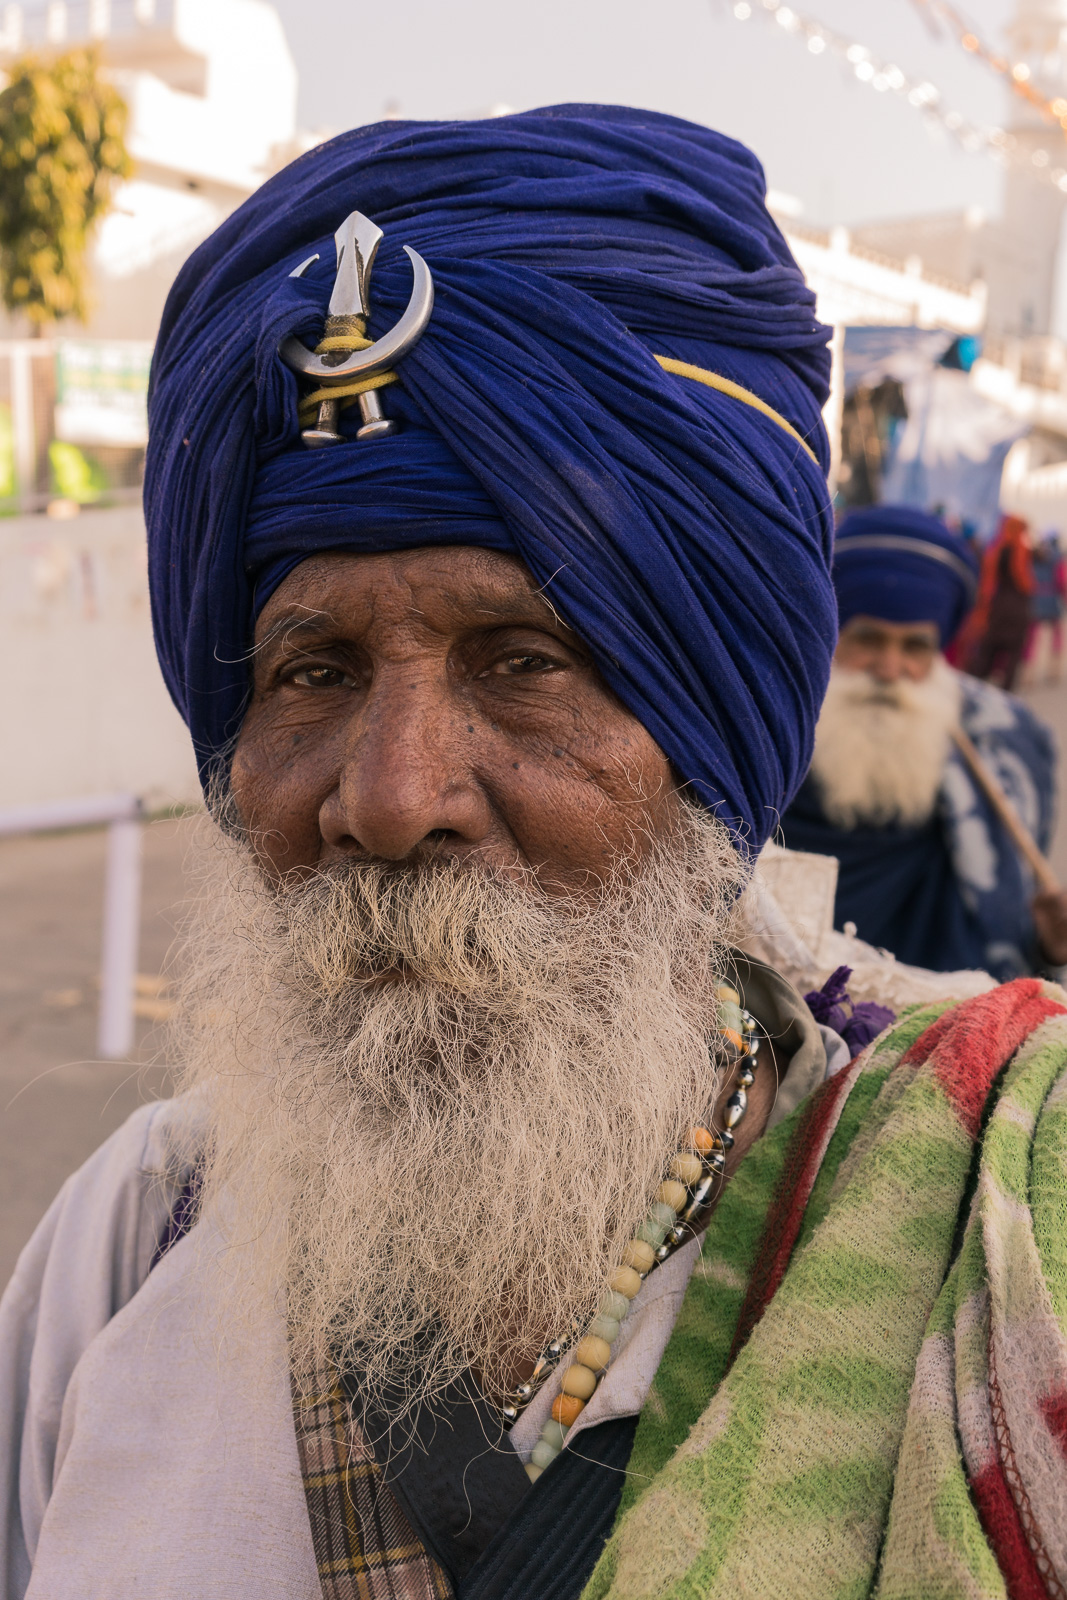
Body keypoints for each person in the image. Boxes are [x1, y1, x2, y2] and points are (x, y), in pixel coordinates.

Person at [2, 109, 1066, 1600]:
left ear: (704, 733)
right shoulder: (130, 1245)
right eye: (310, 672)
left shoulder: (996, 1217)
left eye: (523, 662)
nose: (387, 798)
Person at [781, 504, 1067, 980]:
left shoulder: (1007, 748)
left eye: (914, 647)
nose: (890, 670)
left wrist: (1045, 944)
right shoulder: (767, 743)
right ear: (828, 636)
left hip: (948, 1034)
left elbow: (1008, 938)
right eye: (868, 640)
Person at [966, 511, 1034, 689]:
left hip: (997, 604)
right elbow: (1024, 581)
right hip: (1015, 607)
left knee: (988, 649)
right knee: (1012, 653)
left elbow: (988, 578)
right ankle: (1005, 691)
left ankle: (976, 687)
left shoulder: (996, 548)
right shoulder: (1019, 550)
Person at [1023, 531, 1067, 684]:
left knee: (1031, 638)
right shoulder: (1057, 559)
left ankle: (1028, 674)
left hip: (1035, 600)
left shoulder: (1032, 557)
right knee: (1056, 636)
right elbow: (1062, 581)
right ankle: (1054, 670)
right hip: (1053, 600)